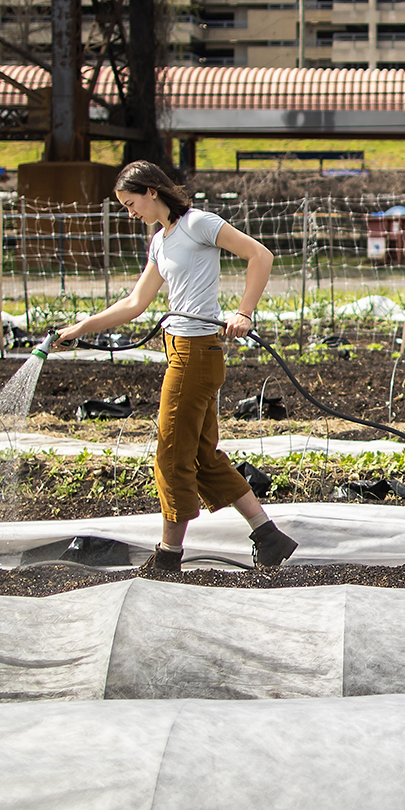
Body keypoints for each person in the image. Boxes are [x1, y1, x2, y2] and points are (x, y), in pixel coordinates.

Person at [54, 160, 298, 574]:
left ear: (152, 191)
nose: (129, 213)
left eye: (131, 203)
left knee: (170, 453)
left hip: (196, 352)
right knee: (202, 454)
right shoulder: (160, 240)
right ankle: (268, 535)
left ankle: (168, 555)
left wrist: (245, 313)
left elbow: (260, 255)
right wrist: (81, 328)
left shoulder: (198, 223)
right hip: (179, 350)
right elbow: (135, 303)